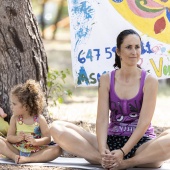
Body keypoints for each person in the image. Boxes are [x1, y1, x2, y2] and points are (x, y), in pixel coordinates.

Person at [50, 29, 170, 169]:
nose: (134, 52)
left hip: (141, 145)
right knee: (56, 127)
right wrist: (102, 150)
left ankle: (127, 163)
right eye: (128, 47)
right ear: (118, 52)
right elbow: (101, 119)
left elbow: (144, 123)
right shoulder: (106, 79)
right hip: (111, 142)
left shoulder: (150, 81)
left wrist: (123, 152)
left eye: (137, 47)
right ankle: (104, 160)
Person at [0, 79, 61, 164]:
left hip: (36, 152)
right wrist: (17, 138)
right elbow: (9, 137)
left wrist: (36, 142)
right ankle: (15, 157)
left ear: (25, 106)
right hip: (17, 150)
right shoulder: (15, 118)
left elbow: (47, 138)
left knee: (57, 149)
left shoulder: (39, 119)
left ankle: (27, 159)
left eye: (14, 104)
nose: (11, 106)